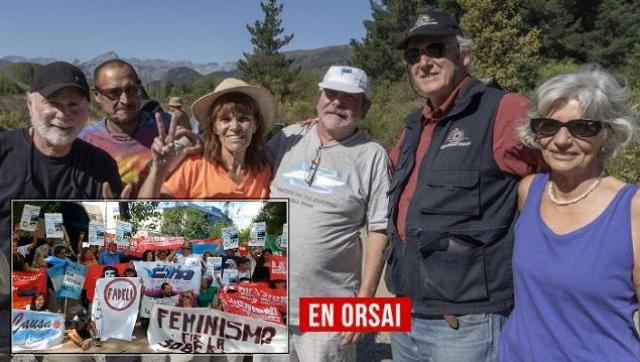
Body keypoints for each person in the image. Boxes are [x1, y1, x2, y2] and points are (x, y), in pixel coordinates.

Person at [385, 10, 543, 361]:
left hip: (467, 322)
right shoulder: (415, 127)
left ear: (464, 56)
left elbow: (564, 169)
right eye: (414, 55)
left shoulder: (504, 110)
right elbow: (384, 174)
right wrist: (323, 131)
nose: (423, 62)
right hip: (405, 313)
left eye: (436, 49)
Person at [497, 66, 639, 360]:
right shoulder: (529, 192)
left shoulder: (632, 209)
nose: (561, 140)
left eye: (583, 127)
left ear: (608, 134)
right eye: (548, 126)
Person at [268, 65, 390, 361]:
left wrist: (366, 300)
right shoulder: (288, 137)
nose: (337, 102)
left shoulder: (372, 156)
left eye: (349, 97)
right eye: (331, 93)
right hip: (270, 301)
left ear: (366, 107)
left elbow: (379, 231)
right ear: (319, 96)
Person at [138, 78, 275, 199]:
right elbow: (148, 212)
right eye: (225, 119)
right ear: (214, 127)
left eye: (243, 119)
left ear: (255, 125)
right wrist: (158, 169)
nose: (234, 127)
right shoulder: (195, 166)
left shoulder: (263, 171)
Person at [79, 59, 198, 192]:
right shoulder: (85, 141)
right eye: (114, 93)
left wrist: (197, 143)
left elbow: (195, 149)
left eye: (131, 89)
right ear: (96, 94)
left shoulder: (166, 127)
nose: (125, 100)